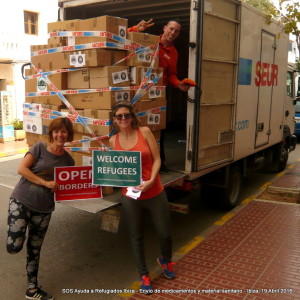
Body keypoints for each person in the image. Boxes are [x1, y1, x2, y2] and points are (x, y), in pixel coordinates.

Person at [109, 101, 175, 294]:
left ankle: (165, 259)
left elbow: (157, 159)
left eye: (126, 115)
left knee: (165, 233)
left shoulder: (144, 132)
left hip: (154, 191)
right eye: (119, 116)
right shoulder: (113, 141)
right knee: (136, 236)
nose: (123, 119)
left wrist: (151, 179)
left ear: (132, 117)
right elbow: (115, 169)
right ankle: (143, 274)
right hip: (130, 196)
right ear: (114, 120)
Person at [6, 117, 75, 300]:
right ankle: (17, 236)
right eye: (57, 131)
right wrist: (45, 182)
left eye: (64, 131)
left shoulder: (68, 160)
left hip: (44, 209)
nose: (60, 135)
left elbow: (69, 187)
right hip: (21, 201)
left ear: (68, 134)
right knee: (14, 246)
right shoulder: (39, 148)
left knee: (34, 249)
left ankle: (32, 288)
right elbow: (22, 169)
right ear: (52, 133)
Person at [128, 19, 191, 173]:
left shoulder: (174, 53)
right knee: (134, 126)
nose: (173, 33)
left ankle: (159, 163)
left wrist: (178, 84)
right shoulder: (150, 41)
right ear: (164, 28)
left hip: (157, 94)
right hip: (137, 91)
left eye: (176, 31)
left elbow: (172, 75)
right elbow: (123, 39)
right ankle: (133, 163)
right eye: (171, 29)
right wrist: (136, 28)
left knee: (156, 128)